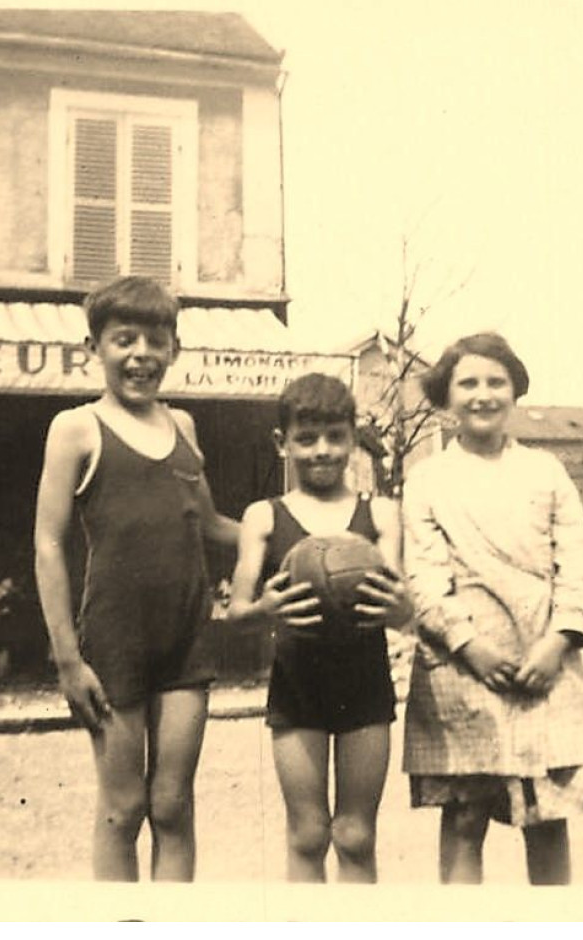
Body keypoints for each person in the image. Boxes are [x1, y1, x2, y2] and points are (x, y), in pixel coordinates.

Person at [32, 275, 238, 882]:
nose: (141, 355)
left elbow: (211, 523)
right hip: (114, 641)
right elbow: (47, 542)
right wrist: (68, 660)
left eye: (156, 340)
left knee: (173, 806)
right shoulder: (76, 428)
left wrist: (289, 527)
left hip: (185, 639)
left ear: (175, 349)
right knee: (123, 810)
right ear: (92, 346)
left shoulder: (186, 428)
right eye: (124, 339)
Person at [400, 332, 583, 886]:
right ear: (446, 397)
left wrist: (556, 643)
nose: (483, 394)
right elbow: (423, 578)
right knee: (465, 815)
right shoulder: (426, 480)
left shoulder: (546, 472)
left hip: (545, 664)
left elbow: (579, 571)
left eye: (497, 382)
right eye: (468, 383)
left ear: (515, 391)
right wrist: (470, 646)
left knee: (547, 815)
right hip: (462, 668)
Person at [225, 373, 412, 883]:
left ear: (354, 439)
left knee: (356, 835)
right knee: (307, 835)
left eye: (335, 437)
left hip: (365, 681)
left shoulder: (383, 513)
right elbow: (237, 614)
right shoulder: (264, 516)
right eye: (306, 439)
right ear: (282, 443)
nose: (322, 450)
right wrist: (266, 609)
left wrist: (402, 606)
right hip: (297, 685)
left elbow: (401, 609)